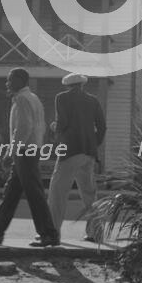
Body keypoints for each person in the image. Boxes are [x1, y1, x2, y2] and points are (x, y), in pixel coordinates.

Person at [0, 67, 59, 247]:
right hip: (31, 148)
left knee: (34, 193)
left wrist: (11, 152)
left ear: (20, 81)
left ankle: (49, 234)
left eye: (10, 80)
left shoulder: (22, 99)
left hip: (24, 150)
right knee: (11, 193)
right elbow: (42, 126)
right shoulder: (34, 98)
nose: (7, 83)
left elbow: (24, 127)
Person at [47, 72, 106, 242]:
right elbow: (102, 126)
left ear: (67, 85)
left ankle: (52, 233)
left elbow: (63, 122)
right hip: (88, 153)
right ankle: (95, 232)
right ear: (82, 85)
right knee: (89, 194)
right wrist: (94, 144)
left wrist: (54, 128)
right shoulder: (93, 100)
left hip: (69, 151)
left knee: (57, 193)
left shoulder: (62, 98)